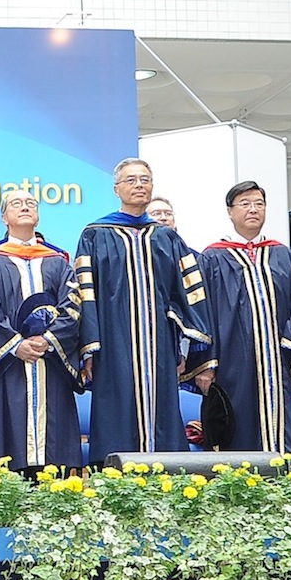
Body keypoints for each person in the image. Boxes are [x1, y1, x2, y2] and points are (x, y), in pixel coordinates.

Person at [72, 158, 213, 460]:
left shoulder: (167, 237)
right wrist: (89, 348)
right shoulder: (95, 234)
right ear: (117, 188)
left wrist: (184, 347)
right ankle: (114, 485)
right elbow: (85, 293)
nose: (139, 185)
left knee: (162, 410)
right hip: (111, 345)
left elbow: (187, 294)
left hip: (159, 346)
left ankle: (164, 482)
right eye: (132, 180)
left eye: (145, 180)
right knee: (116, 412)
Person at [194, 181, 291, 454]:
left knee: (282, 432)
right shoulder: (213, 257)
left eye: (259, 204)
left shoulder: (280, 254)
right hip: (230, 363)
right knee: (236, 428)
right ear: (230, 212)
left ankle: (283, 488)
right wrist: (206, 363)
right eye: (245, 204)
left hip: (276, 365)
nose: (253, 209)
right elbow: (202, 314)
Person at [0, 190, 83, 470]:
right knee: (12, 450)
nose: (25, 207)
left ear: (38, 215)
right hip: (10, 366)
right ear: (4, 217)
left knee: (57, 459)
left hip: (51, 364)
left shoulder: (58, 261)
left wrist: (48, 340)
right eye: (16, 204)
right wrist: (16, 344)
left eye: (31, 203)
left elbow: (73, 306)